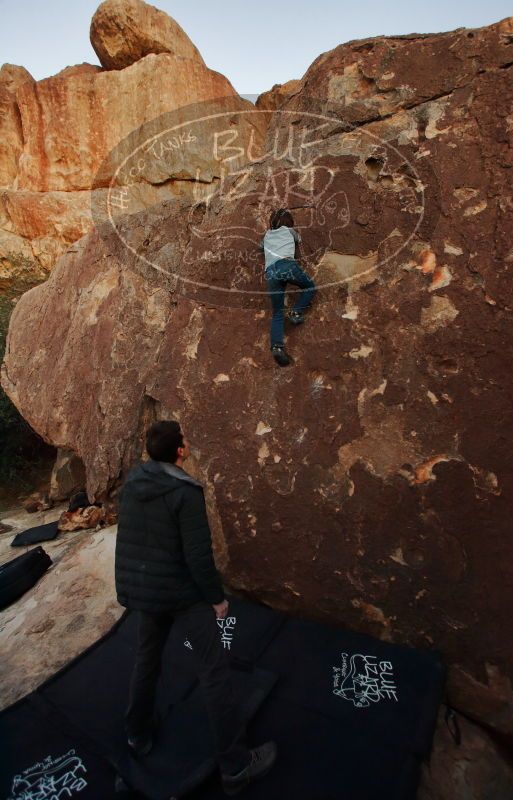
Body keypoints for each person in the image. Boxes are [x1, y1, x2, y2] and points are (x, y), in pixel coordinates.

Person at [115, 420, 277, 795]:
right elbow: (198, 557)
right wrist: (216, 599)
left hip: (145, 591)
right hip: (182, 594)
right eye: (184, 442)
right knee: (214, 670)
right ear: (180, 452)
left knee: (146, 659)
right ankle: (236, 766)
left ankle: (137, 735)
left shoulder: (134, 484)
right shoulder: (185, 493)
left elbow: (133, 541)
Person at [259, 208, 316, 366]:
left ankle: (277, 347)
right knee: (310, 287)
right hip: (286, 265)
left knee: (277, 312)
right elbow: (299, 239)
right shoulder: (291, 232)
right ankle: (296, 311)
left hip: (271, 272)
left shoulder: (266, 236)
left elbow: (260, 247)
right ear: (289, 222)